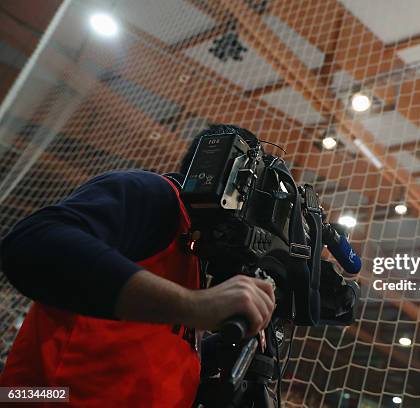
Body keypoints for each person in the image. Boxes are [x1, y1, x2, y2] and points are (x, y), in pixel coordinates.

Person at [0, 124, 275, 406]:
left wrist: (220, 349)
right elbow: (32, 244)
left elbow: (133, 343)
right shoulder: (156, 195)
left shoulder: (194, 249)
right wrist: (193, 305)